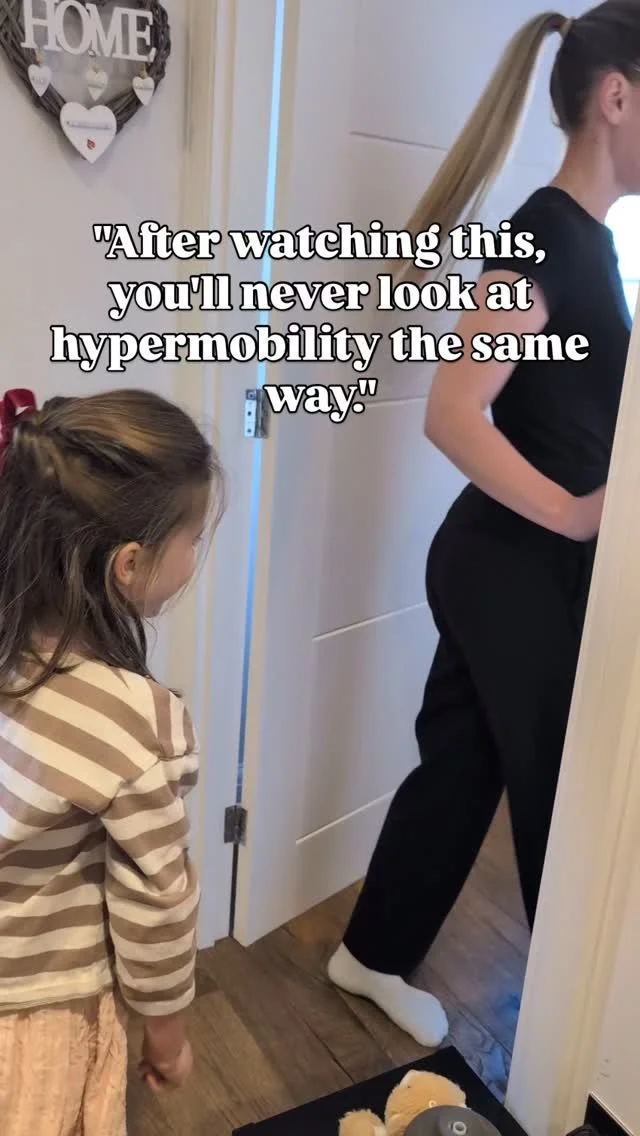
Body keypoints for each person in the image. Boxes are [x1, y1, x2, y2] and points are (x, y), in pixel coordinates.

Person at [328, 0, 635, 1046]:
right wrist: (580, 516)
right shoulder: (545, 236)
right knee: (556, 797)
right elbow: (453, 411)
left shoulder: (588, 243)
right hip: (514, 565)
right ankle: (574, 1050)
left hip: (510, 565)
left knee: (463, 766)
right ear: (617, 97)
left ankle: (368, 953)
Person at [0, 388, 225, 1135]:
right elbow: (156, 908)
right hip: (40, 1009)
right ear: (129, 565)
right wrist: (169, 1038)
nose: (194, 559)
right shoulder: (135, 725)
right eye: (193, 539)